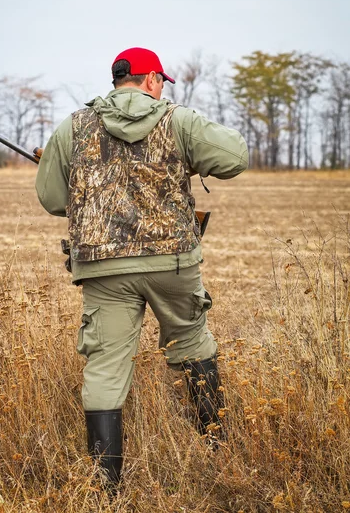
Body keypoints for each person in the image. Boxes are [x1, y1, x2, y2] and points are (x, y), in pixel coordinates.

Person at [35, 47, 248, 490]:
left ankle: (106, 486)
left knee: (105, 366)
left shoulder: (73, 127)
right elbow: (234, 159)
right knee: (191, 342)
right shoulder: (179, 120)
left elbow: (55, 201)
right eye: (161, 82)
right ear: (151, 80)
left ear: (117, 80)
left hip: (103, 269)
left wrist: (84, 176)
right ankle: (218, 451)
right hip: (173, 261)